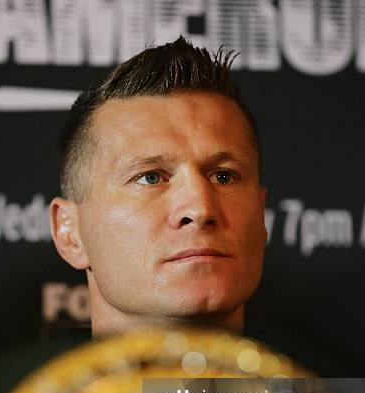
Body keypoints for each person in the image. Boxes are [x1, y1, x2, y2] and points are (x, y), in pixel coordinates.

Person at [50, 36, 267, 337]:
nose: (200, 208)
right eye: (150, 177)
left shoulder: (330, 385)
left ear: (261, 212)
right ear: (70, 233)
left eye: (223, 176)